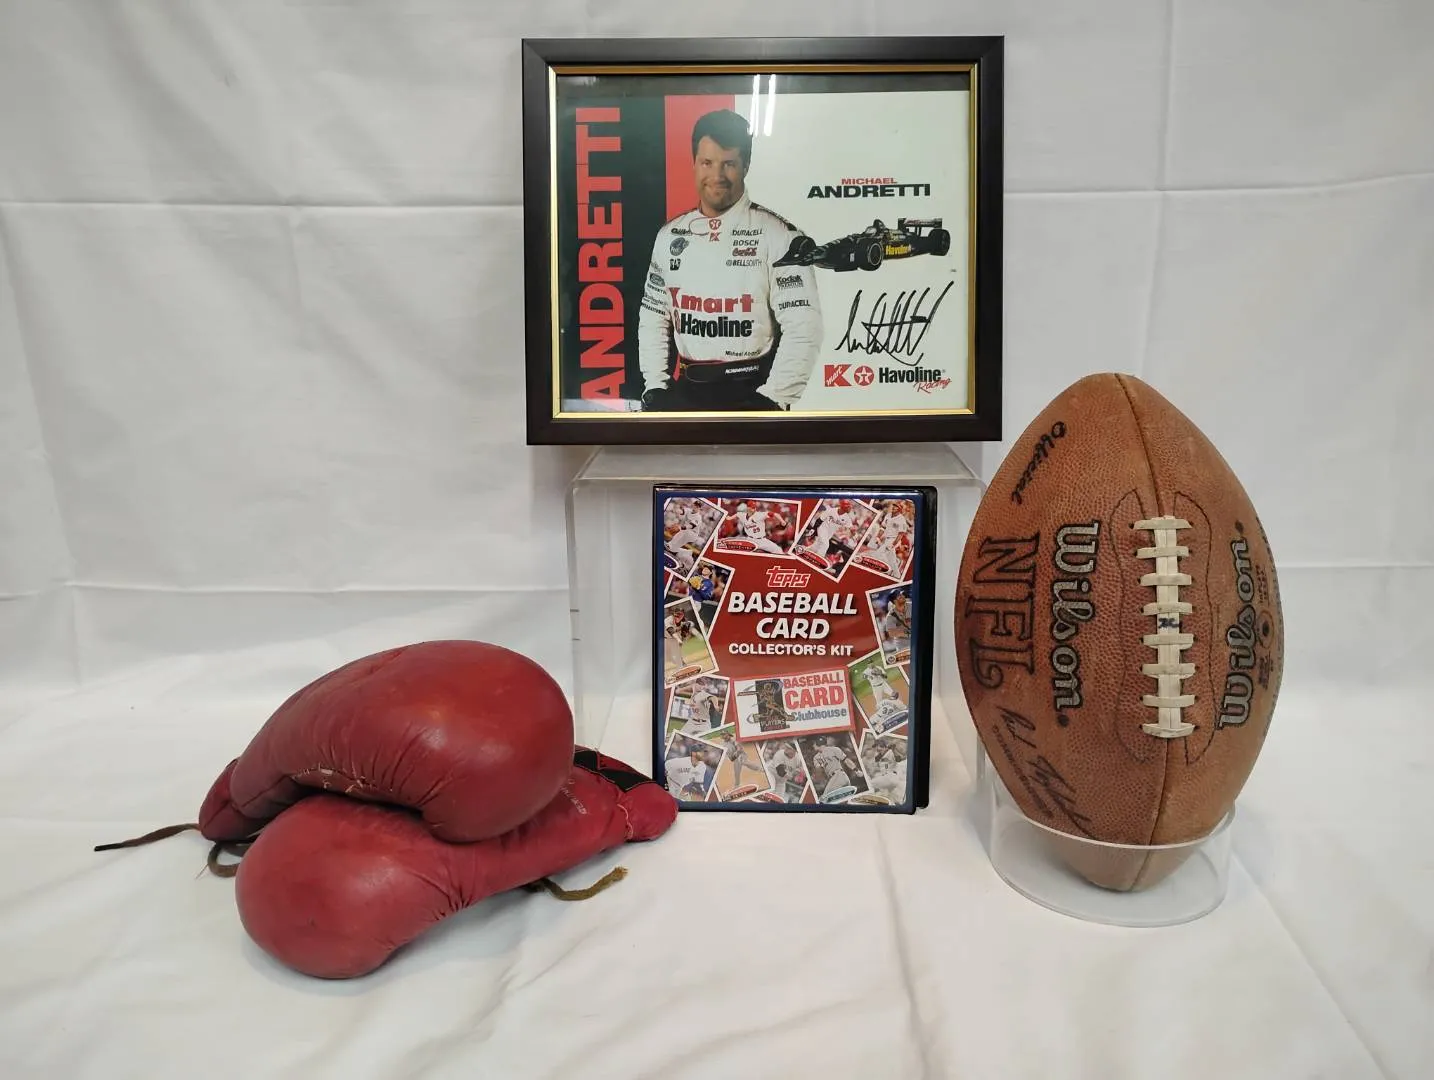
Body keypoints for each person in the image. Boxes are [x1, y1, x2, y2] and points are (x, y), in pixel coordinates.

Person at [638, 109, 822, 412]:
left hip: (753, 391)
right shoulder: (669, 236)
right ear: (694, 163)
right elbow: (654, 316)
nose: (717, 176)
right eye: (707, 163)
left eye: (729, 164)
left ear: (746, 165)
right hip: (687, 393)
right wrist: (655, 385)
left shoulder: (780, 236)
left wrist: (774, 398)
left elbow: (804, 326)